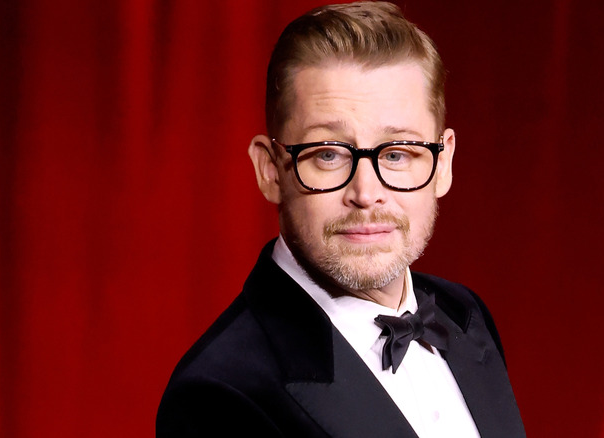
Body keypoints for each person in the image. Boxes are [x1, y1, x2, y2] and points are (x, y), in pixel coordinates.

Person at [156, 2, 525, 437]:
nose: (367, 194)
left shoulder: (464, 314)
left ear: (443, 165)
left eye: (396, 153)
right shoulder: (218, 394)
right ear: (270, 170)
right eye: (328, 155)